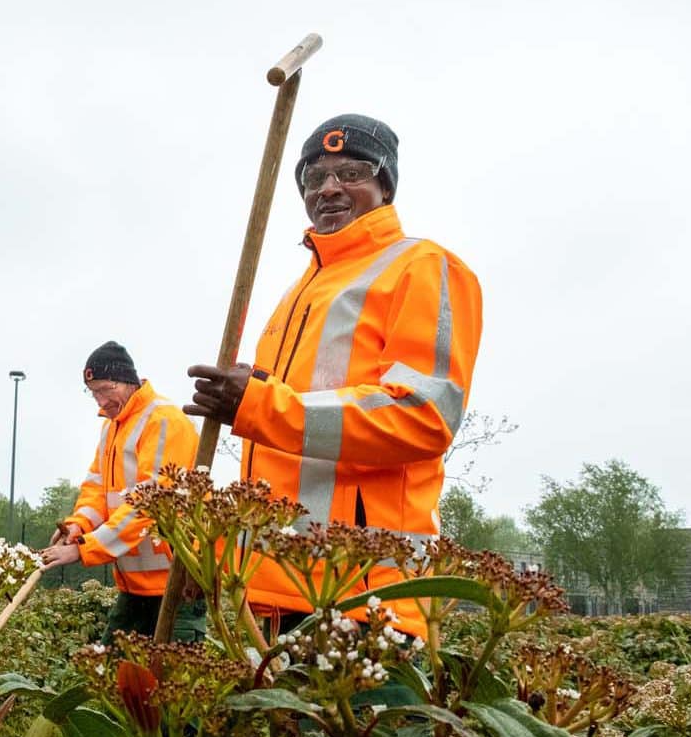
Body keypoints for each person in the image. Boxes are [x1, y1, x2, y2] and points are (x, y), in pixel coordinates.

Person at [186, 114, 482, 639]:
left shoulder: (424, 266)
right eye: (313, 177)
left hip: (365, 597)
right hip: (269, 593)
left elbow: (423, 415)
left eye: (351, 173)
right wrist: (216, 554)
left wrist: (254, 405)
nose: (328, 189)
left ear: (384, 184)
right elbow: (279, 463)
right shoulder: (298, 293)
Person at [40, 341, 206, 643]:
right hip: (135, 588)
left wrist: (83, 548)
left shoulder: (164, 421)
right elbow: (96, 488)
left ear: (127, 380)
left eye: (105, 389)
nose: (100, 401)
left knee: (171, 684)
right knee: (113, 680)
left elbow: (148, 504)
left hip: (177, 587)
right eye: (93, 393)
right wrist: (79, 525)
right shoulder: (112, 427)